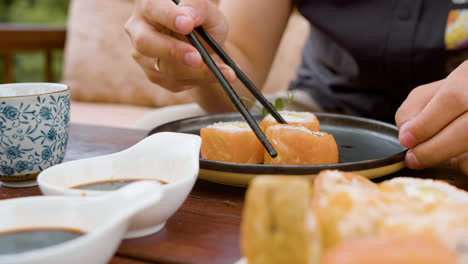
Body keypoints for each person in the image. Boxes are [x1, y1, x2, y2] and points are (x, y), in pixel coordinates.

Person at [124, 0, 468, 175]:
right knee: (155, 140)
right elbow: (239, 64)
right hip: (324, 109)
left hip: (458, 131)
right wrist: (199, 58)